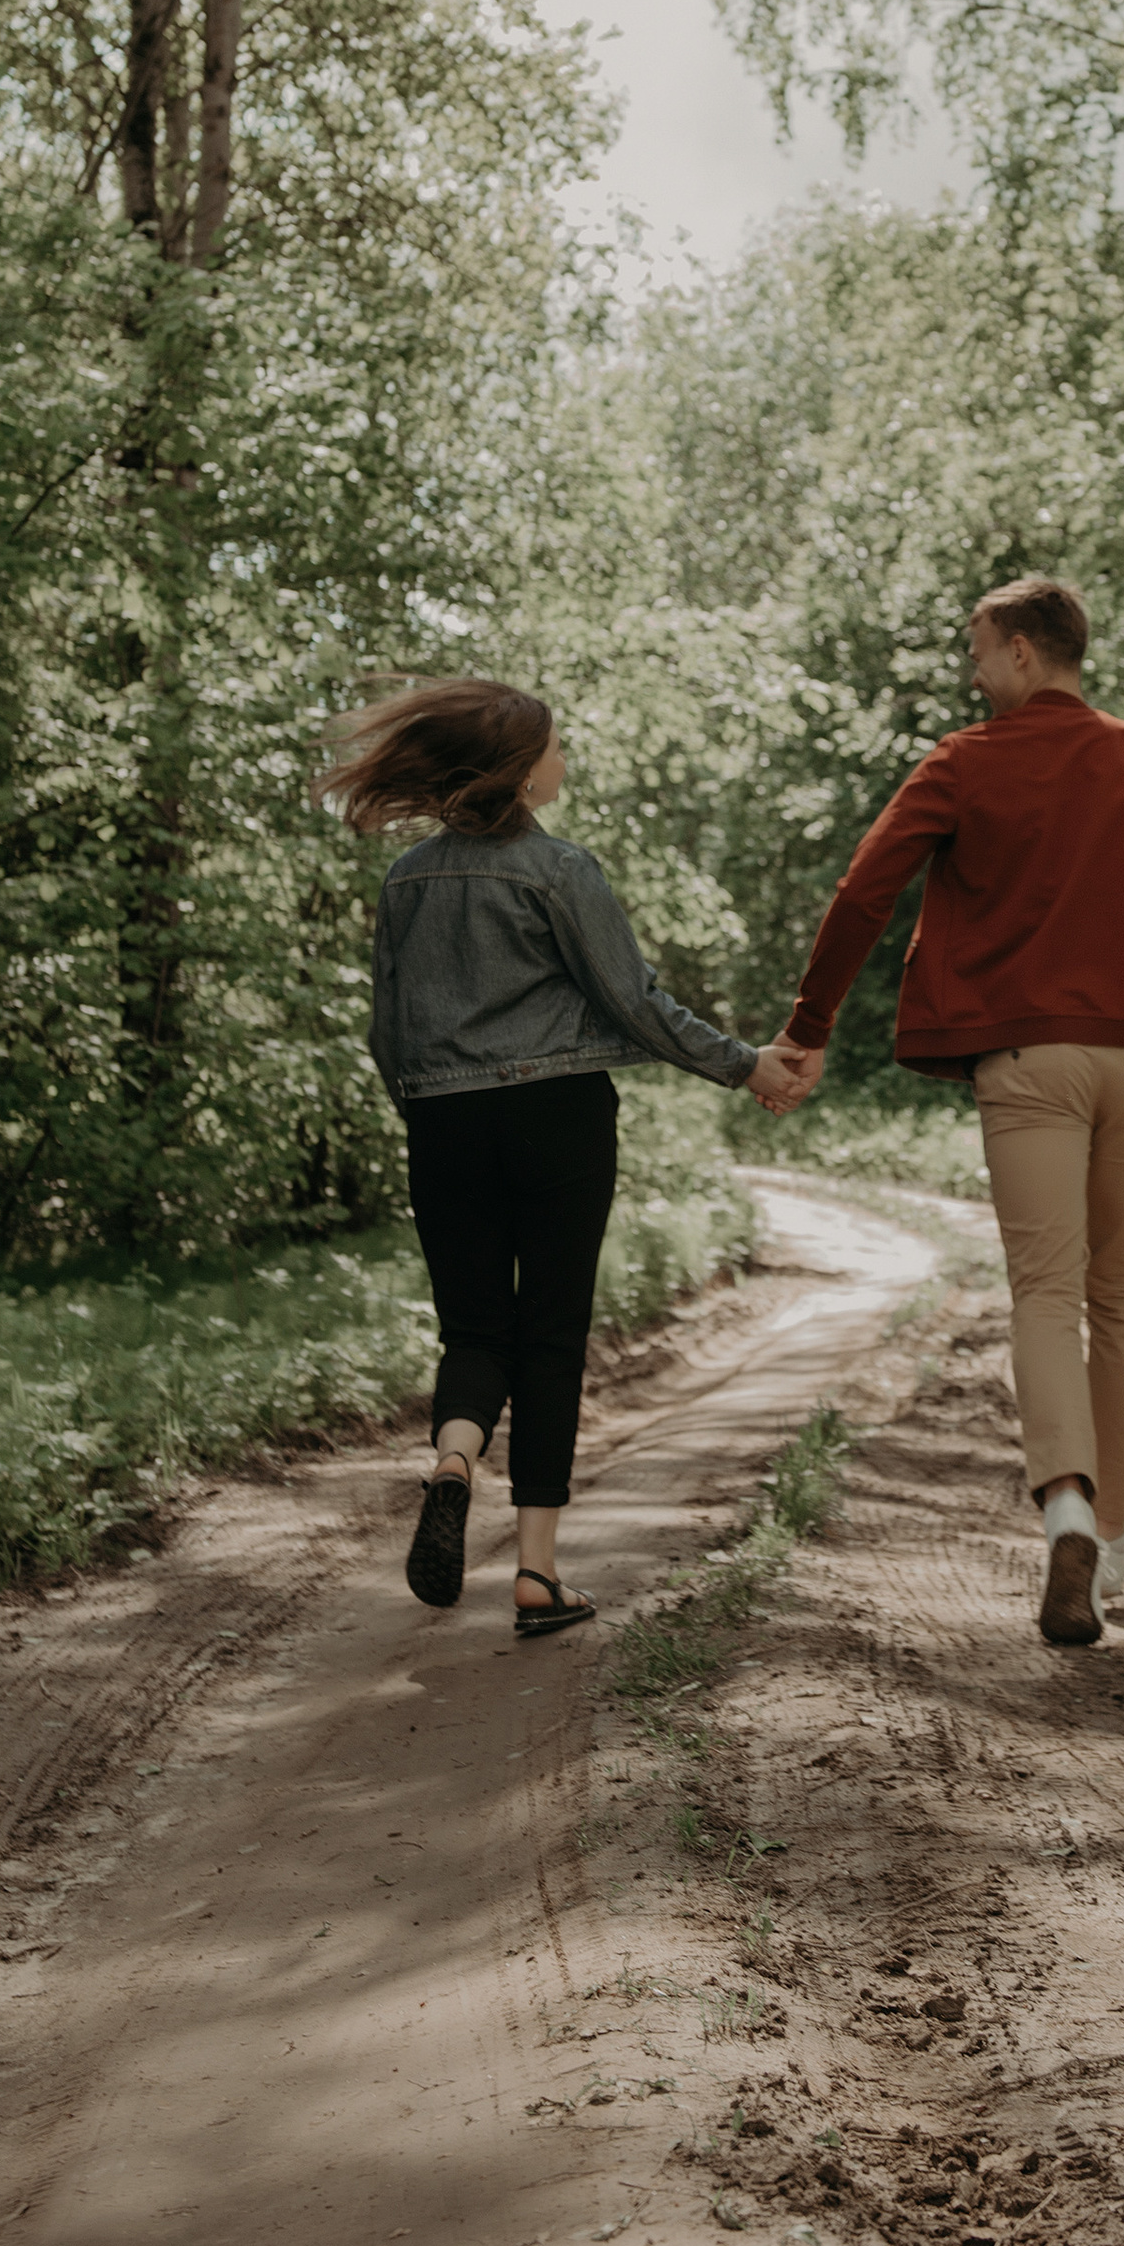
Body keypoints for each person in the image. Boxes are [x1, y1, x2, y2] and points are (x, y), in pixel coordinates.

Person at [756, 577, 1124, 1648]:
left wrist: (808, 1025)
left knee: (1043, 1289)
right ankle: (1116, 1534)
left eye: (978, 652)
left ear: (1022, 652)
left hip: (1029, 1059)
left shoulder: (963, 761)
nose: (972, 674)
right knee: (1123, 1292)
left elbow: (863, 891)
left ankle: (1064, 1501)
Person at [318, 677, 807, 1638]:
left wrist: (424, 1111)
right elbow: (635, 1003)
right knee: (549, 1334)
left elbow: (386, 1028)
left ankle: (454, 1460)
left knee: (472, 1328)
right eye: (554, 749)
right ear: (517, 772)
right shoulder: (561, 870)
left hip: (444, 1121)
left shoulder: (408, 877)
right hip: (558, 1116)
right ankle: (537, 1575)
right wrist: (746, 1065)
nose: (564, 762)